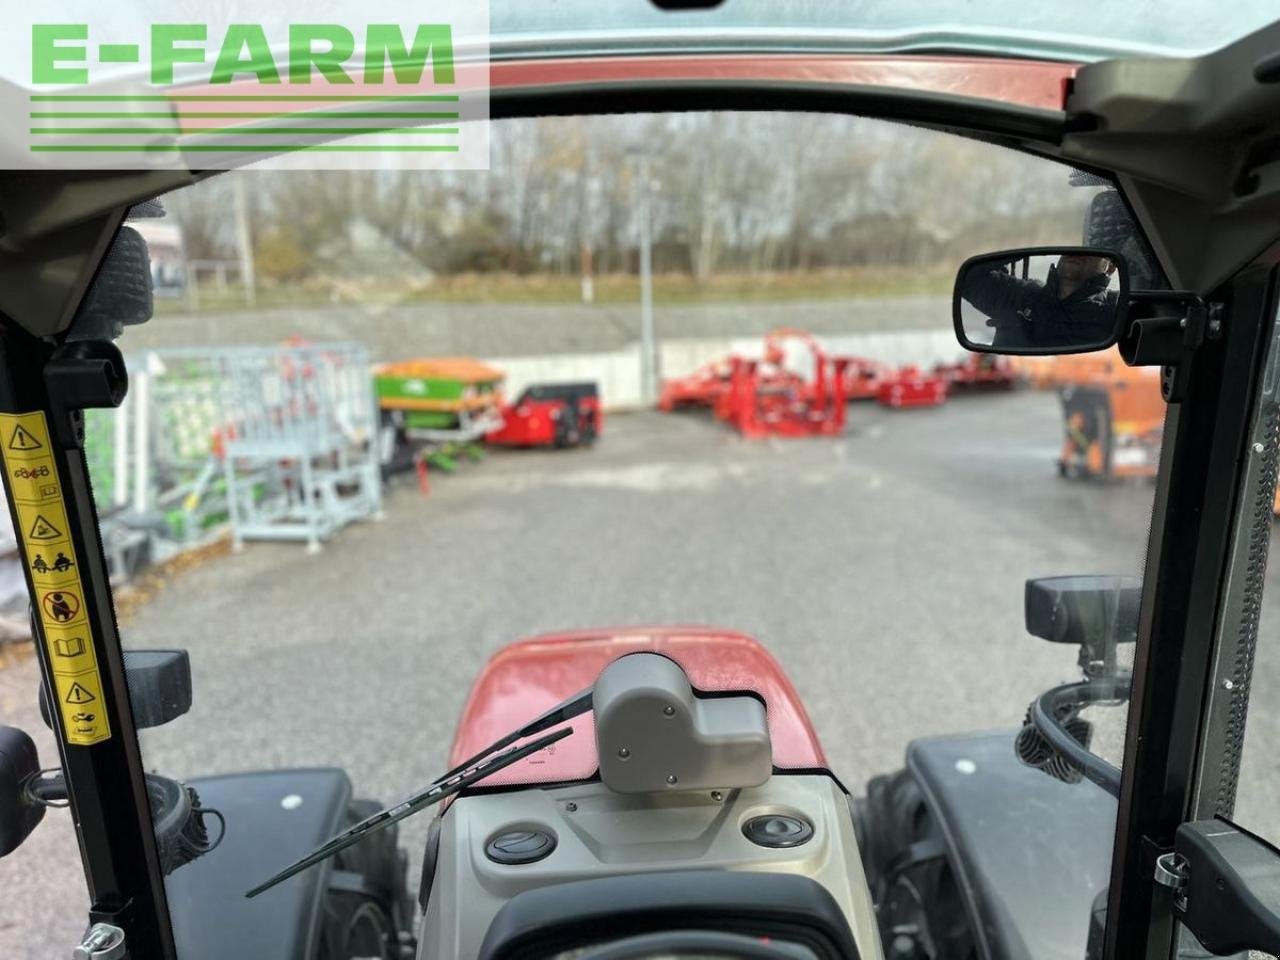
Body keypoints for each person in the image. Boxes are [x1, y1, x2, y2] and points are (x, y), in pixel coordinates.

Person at [961, 254, 1119, 349]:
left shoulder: (1117, 308)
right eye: (1072, 250)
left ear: (1111, 267)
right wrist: (1015, 251)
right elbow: (968, 280)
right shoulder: (1019, 295)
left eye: (1089, 250)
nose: (1076, 254)